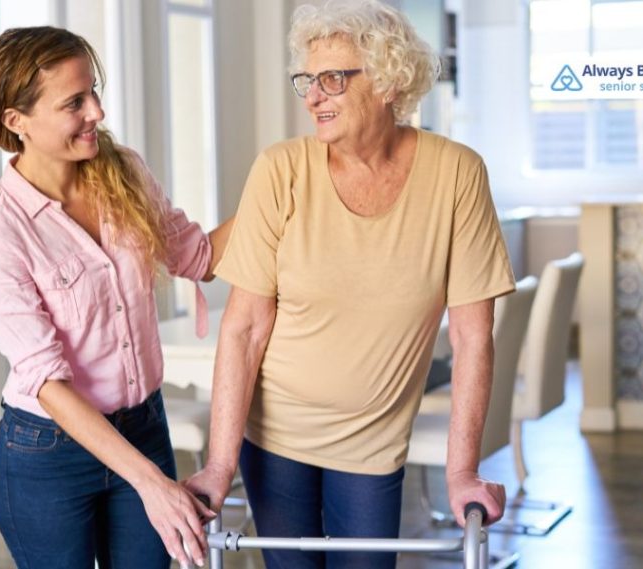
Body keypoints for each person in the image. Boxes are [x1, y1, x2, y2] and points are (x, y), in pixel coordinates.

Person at [185, 2, 514, 567]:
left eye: (333, 79)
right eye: (308, 81)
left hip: (375, 443)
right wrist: (220, 464)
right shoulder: (280, 170)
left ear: (388, 81)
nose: (313, 96)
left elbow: (471, 338)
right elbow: (243, 329)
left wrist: (461, 472)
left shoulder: (457, 174)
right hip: (275, 435)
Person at [0, 26, 231, 568]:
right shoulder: (1, 229)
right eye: (74, 103)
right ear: (16, 122)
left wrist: (284, 189)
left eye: (94, 92)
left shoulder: (125, 172)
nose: (97, 112)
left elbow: (197, 256)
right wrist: (152, 483)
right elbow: (46, 381)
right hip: (48, 454)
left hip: (143, 425)